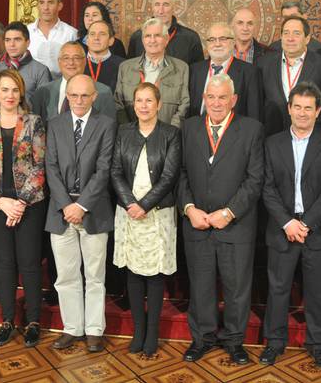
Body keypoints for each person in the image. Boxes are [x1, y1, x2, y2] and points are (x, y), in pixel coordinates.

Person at [177, 74, 264, 365]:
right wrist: (189, 208)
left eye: (222, 97)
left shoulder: (251, 129)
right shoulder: (189, 127)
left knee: (237, 288)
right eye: (211, 97)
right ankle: (202, 338)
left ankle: (234, 341)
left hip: (235, 225)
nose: (216, 103)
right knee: (201, 286)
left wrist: (229, 212)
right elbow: (181, 173)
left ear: (233, 100)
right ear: (204, 99)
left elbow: (255, 179)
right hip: (198, 223)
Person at [259, 82, 321, 367]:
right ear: (289, 108)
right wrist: (288, 222)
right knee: (278, 289)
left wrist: (305, 223)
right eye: (297, 107)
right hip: (282, 229)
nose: (302, 113)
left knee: (317, 292)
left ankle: (318, 344)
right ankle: (274, 342)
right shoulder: (272, 143)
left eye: (308, 108)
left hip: (316, 230)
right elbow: (266, 188)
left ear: (318, 111)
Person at [0, 69, 47, 348]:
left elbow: (40, 165)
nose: (10, 95)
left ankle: (33, 321)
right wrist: (0, 201)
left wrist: (20, 203)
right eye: (5, 90)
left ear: (21, 92)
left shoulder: (34, 122)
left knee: (29, 262)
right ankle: (7, 320)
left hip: (29, 204)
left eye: (15, 90)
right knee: (3, 263)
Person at [46, 74, 117, 353]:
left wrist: (81, 205)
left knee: (95, 275)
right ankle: (72, 328)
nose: (78, 100)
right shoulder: (55, 124)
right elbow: (50, 167)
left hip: (94, 209)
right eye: (73, 95)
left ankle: (94, 330)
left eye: (84, 95)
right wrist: (66, 205)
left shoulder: (106, 124)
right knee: (66, 275)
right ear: (67, 96)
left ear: (94, 97)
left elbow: (104, 169)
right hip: (60, 211)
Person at [111, 82, 181, 356]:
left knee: (154, 274)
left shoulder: (171, 134)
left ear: (159, 104)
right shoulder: (123, 132)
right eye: (139, 100)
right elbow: (115, 171)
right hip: (128, 213)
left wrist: (145, 205)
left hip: (157, 214)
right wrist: (131, 204)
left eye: (149, 100)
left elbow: (169, 176)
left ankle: (152, 334)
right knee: (133, 272)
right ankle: (138, 332)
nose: (143, 106)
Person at [257, 16, 321, 136]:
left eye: (296, 34)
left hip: (311, 136)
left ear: (307, 38)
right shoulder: (263, 63)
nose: (290, 38)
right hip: (272, 135)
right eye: (286, 33)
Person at [115, 18, 189, 128]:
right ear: (143, 40)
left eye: (157, 35)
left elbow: (184, 104)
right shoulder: (125, 67)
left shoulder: (181, 68)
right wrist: (129, 131)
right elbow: (118, 103)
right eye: (148, 36)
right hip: (131, 133)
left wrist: (170, 131)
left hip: (168, 134)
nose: (152, 40)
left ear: (166, 39)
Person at [188, 22, 262, 121]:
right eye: (212, 40)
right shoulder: (194, 70)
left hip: (234, 129)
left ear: (233, 42)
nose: (217, 44)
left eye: (223, 39)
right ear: (207, 44)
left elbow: (254, 115)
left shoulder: (250, 72)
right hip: (198, 128)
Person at [31, 41, 116, 126]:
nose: (71, 62)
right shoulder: (43, 91)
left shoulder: (103, 92)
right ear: (59, 62)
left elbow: (109, 127)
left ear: (85, 61)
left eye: (76, 58)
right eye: (66, 58)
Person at [127, 0, 203, 65]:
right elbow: (130, 69)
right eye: (157, 4)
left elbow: (198, 71)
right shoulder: (137, 37)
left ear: (174, 7)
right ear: (152, 7)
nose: (161, 11)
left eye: (166, 5)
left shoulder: (191, 38)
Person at [0, 22, 52, 105]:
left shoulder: (41, 70)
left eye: (17, 39)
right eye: (8, 40)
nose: (12, 44)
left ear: (27, 43)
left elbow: (44, 105)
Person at [27, 0, 78, 77]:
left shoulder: (71, 34)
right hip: (31, 84)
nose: (45, 7)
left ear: (59, 6)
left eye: (50, 3)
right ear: (37, 5)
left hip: (63, 83)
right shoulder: (26, 32)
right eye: (41, 3)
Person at [83, 20, 125, 93]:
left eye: (102, 34)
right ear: (87, 40)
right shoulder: (77, 63)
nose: (96, 38)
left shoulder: (123, 65)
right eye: (92, 34)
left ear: (111, 41)